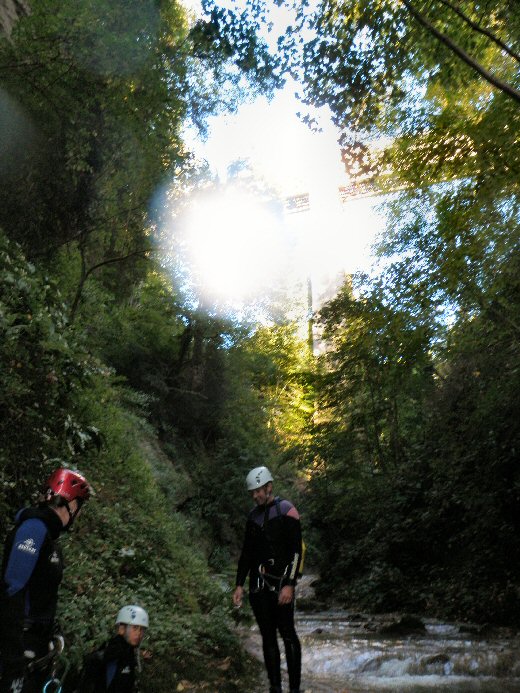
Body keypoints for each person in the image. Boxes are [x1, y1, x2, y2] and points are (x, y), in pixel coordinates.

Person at [0, 467, 91, 693]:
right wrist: (13, 660)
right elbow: (12, 590)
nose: (78, 515)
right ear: (70, 504)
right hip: (19, 646)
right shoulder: (33, 529)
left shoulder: (50, 538)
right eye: (79, 507)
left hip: (34, 645)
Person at [233, 466, 303, 693]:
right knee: (267, 636)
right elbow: (247, 553)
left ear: (269, 487)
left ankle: (294, 688)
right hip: (258, 587)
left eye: (258, 491)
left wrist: (290, 585)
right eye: (252, 492)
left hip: (282, 585)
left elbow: (295, 552)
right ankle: (275, 687)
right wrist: (239, 584)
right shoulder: (252, 518)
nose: (255, 495)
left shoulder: (287, 511)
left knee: (288, 634)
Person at [76, 605, 149, 693]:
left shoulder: (129, 651)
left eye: (142, 629)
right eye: (135, 628)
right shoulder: (112, 652)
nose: (139, 633)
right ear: (121, 629)